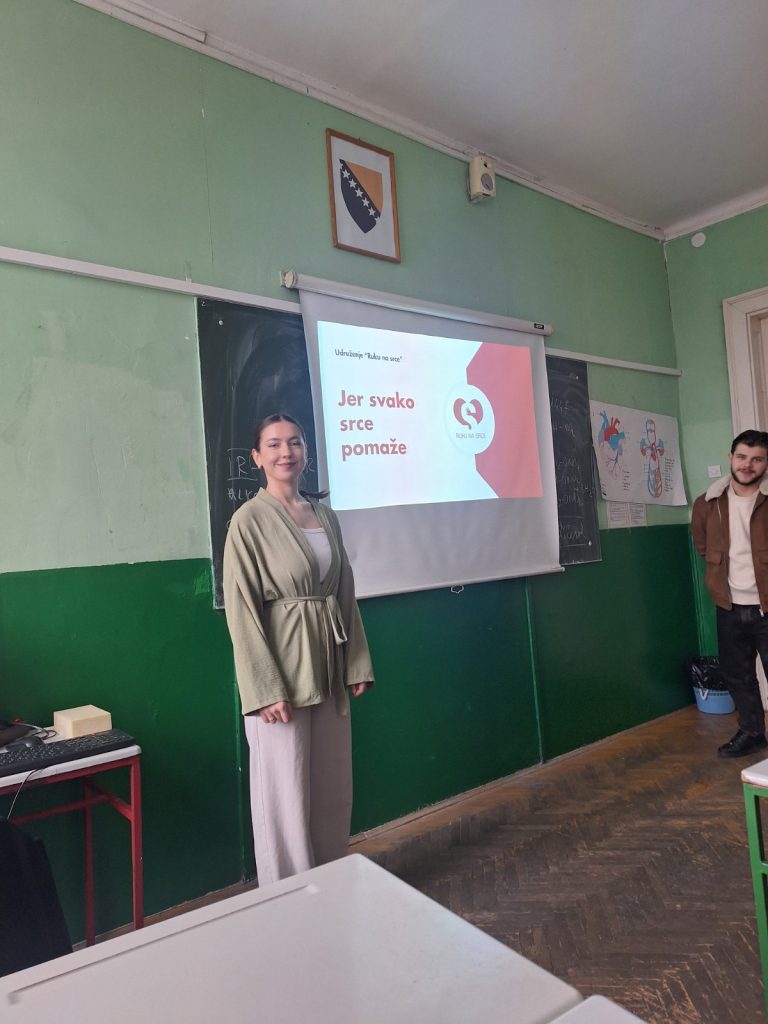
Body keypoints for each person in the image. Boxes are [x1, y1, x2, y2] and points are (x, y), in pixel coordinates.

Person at [223, 413, 374, 884]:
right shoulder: (247, 521)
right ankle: (288, 897)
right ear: (257, 457)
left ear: (306, 451)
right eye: (273, 444)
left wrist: (356, 662)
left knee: (331, 786)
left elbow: (343, 592)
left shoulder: (324, 515)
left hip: (327, 667)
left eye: (294, 442)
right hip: (281, 676)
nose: (285, 452)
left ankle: (330, 883)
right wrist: (265, 689)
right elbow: (242, 610)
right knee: (284, 795)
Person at [691, 429, 768, 757]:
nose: (747, 465)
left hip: (766, 606)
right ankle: (752, 732)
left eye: (757, 459)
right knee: (738, 675)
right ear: (730, 458)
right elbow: (702, 546)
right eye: (741, 457)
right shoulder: (707, 503)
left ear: (766, 463)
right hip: (729, 605)